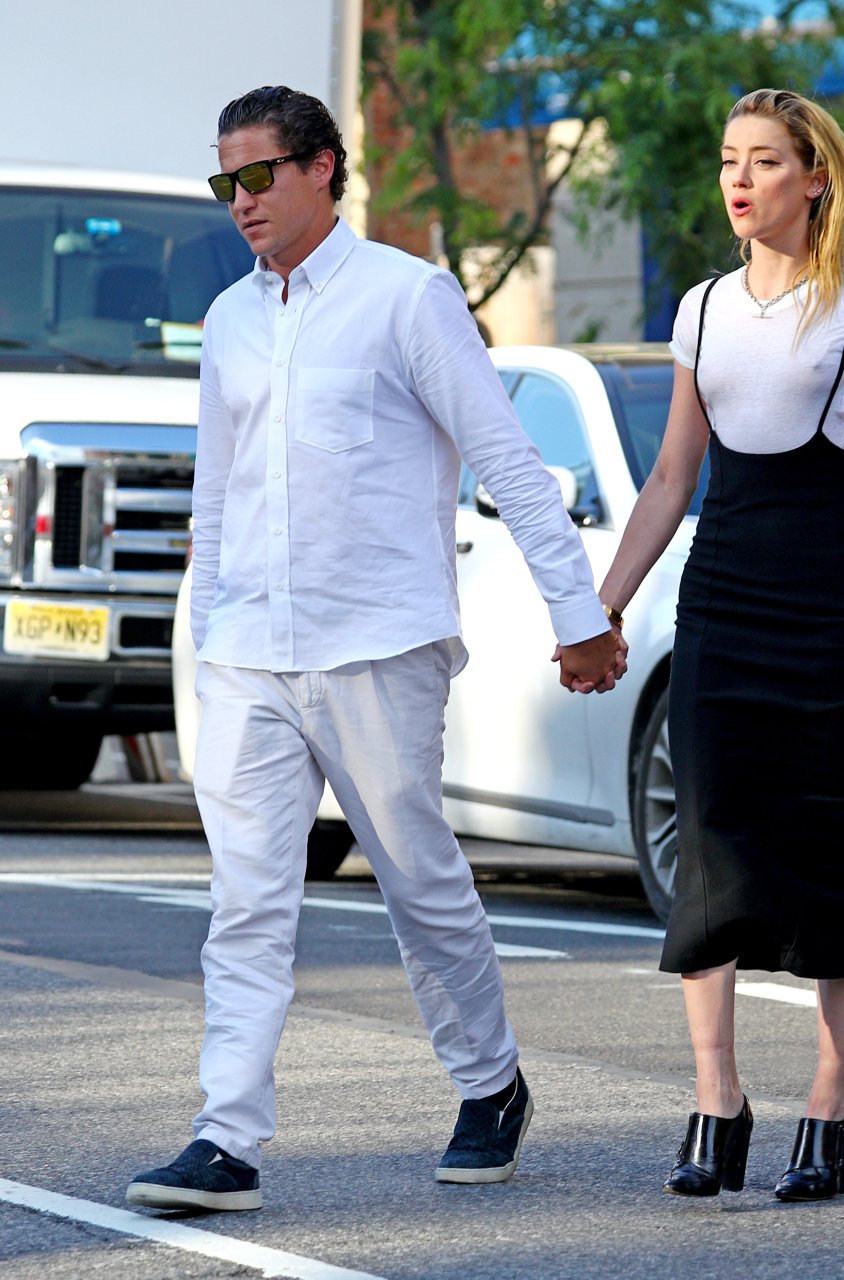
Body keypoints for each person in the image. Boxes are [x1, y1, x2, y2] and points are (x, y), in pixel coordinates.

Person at [126, 85, 623, 1213]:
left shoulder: (409, 297)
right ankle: (225, 1138)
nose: (241, 200)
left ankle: (490, 1082)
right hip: (249, 652)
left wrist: (578, 614)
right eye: (226, 181)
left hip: (379, 644)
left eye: (259, 175)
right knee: (246, 904)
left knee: (417, 881)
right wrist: (207, 636)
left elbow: (508, 462)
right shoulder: (228, 319)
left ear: (323, 169)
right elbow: (216, 491)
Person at [594, 88, 844, 1201]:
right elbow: (670, 476)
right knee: (710, 840)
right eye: (727, 160)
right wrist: (603, 606)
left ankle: (828, 1112)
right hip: (722, 596)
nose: (738, 181)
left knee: (824, 846)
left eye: (763, 161)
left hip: (829, 598)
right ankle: (716, 1103)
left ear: (815, 177)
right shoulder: (701, 307)